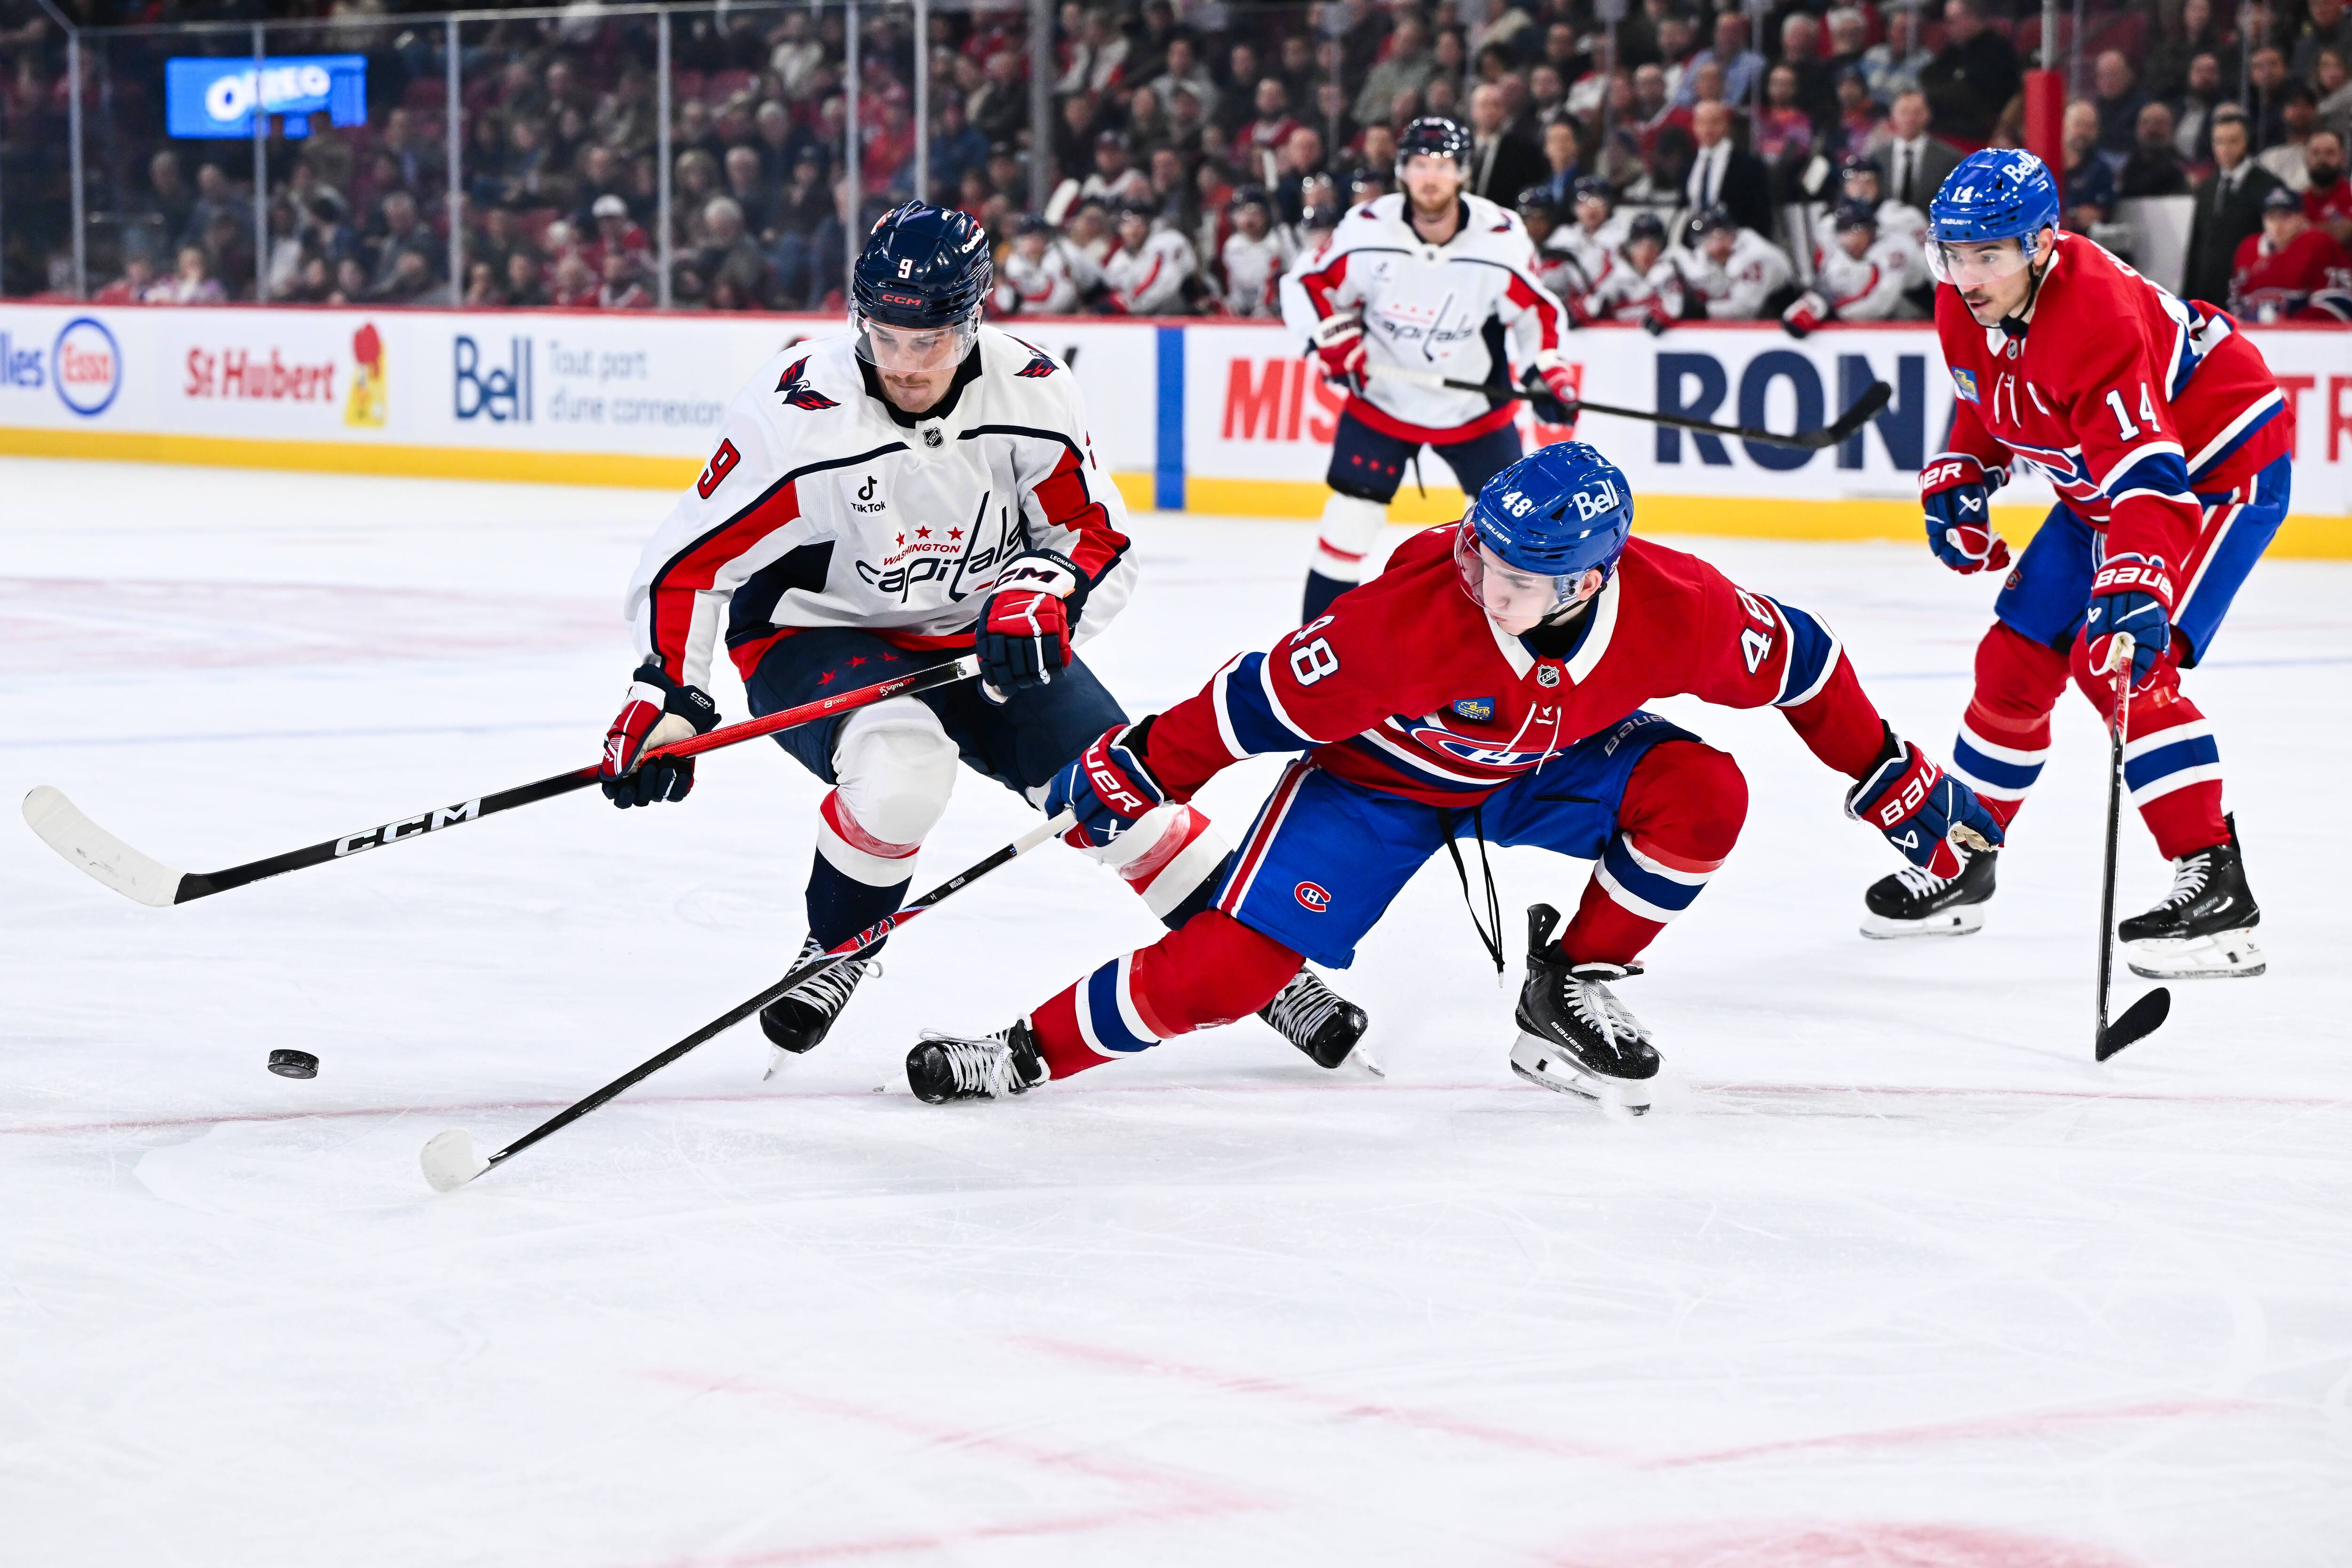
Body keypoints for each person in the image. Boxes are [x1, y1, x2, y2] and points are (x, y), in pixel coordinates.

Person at [896, 442, 2001, 1109]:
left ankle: (1569, 985)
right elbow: (1251, 704)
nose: (1478, 581)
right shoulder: (1408, 621)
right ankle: (1021, 1053)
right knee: (1228, 975)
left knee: (1705, 793)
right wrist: (1139, 766)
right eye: (1478, 550)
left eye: (1512, 577)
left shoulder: (1680, 611)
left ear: (1585, 582)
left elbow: (1803, 662)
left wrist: (1890, 778)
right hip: (1377, 785)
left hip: (1545, 767)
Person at [601, 203, 1367, 1073]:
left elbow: (1096, 537)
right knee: (901, 768)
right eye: (885, 337)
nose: (904, 364)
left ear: (972, 323)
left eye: (927, 341)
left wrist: (1043, 595)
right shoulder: (797, 415)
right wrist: (668, 693)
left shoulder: (1032, 392)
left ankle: (1261, 969)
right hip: (816, 631)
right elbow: (691, 563)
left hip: (979, 632)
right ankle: (839, 941)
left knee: (1119, 794)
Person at [1868, 150, 2290, 981]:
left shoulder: (2094, 315)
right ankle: (1966, 857)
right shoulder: (1965, 300)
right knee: (2012, 662)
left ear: (2041, 244)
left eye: (1989, 255)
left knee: (2119, 662)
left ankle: (2217, 886)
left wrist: (2135, 578)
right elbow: (1991, 390)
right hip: (2102, 483)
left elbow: (2152, 481)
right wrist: (1965, 467)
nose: (1967, 276)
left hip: (2211, 470)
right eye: (1954, 254)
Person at [1280, 118, 1574, 622]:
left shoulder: (1499, 236)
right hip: (1382, 402)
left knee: (1505, 538)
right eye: (1419, 164)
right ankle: (1313, 645)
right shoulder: (1366, 228)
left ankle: (1496, 650)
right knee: (1348, 522)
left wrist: (1545, 371)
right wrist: (1328, 334)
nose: (1430, 177)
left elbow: (1535, 313)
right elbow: (1306, 284)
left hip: (1473, 409)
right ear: (1401, 171)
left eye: (1442, 165)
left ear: (1463, 172)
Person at [2185, 111, 2288, 305]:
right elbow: (2198, 244)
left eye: (2233, 141)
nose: (2225, 149)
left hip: (2248, 291)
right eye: (2219, 142)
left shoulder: (2268, 186)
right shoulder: (2206, 188)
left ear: (2246, 142)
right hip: (2207, 293)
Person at [1783, 200, 1915, 336]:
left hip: (1914, 307)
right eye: (1845, 231)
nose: (1850, 237)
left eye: (1857, 229)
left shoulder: (1893, 249)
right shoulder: (1835, 246)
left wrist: (1834, 312)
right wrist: (1816, 303)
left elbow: (1881, 304)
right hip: (1861, 316)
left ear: (1871, 230)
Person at [2230, 183, 2352, 318]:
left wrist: (2289, 327)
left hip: (2304, 332)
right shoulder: (2247, 250)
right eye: (2272, 218)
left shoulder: (2319, 245)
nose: (2278, 226)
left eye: (2286, 217)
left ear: (2302, 217)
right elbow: (2237, 308)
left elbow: (2337, 305)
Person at [1669, 205, 1796, 320]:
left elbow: (1746, 309)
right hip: (1754, 324)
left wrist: (1703, 311)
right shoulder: (1720, 255)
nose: (1703, 246)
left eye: (1708, 238)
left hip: (1779, 321)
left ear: (1722, 235)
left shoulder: (1756, 255)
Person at [1574, 211, 1682, 330]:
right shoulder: (1616, 273)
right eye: (1639, 245)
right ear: (1629, 246)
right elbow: (1590, 306)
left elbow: (1675, 308)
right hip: (1616, 338)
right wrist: (1593, 310)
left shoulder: (1668, 273)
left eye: (1653, 246)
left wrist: (1660, 318)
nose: (1646, 253)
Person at [1099, 200, 1197, 314]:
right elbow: (1112, 288)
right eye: (1127, 223)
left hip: (1181, 307)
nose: (1133, 229)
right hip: (1141, 311)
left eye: (1138, 223)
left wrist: (1125, 305)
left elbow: (1166, 286)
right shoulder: (1120, 259)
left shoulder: (1166, 241)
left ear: (1149, 224)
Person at [992, 212, 1099, 316]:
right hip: (1062, 308)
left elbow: (1059, 302)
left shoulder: (1062, 253)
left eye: (1036, 237)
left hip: (1095, 299)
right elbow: (1008, 301)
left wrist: (1021, 305)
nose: (1030, 242)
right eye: (1025, 238)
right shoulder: (1016, 260)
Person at [1218, 185, 1294, 316]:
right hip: (1243, 310)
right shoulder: (1233, 245)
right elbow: (1234, 286)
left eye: (1255, 213)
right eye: (1242, 213)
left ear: (1266, 214)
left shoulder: (1280, 241)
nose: (1249, 219)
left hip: (1277, 310)